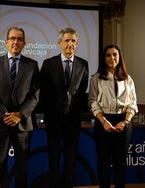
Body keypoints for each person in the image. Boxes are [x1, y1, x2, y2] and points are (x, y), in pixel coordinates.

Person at [0, 27, 40, 188]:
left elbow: (35, 94)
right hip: (0, 123)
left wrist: (20, 115)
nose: (16, 42)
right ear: (6, 42)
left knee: (22, 167)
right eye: (13, 38)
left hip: (22, 124)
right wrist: (5, 114)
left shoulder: (32, 65)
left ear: (24, 43)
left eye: (20, 39)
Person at [40, 27, 89, 188]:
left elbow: (81, 92)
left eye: (73, 41)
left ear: (77, 43)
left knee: (70, 157)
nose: (70, 44)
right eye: (66, 40)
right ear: (59, 43)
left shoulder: (83, 64)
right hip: (53, 119)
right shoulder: (48, 64)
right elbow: (43, 92)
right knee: (53, 157)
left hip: (73, 120)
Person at [88, 44, 138, 188]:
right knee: (103, 161)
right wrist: (103, 121)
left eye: (115, 54)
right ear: (104, 59)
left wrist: (125, 121)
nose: (112, 58)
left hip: (123, 122)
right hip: (103, 121)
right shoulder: (96, 78)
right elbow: (92, 101)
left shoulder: (128, 79)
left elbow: (133, 104)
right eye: (108, 55)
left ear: (119, 57)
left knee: (120, 162)